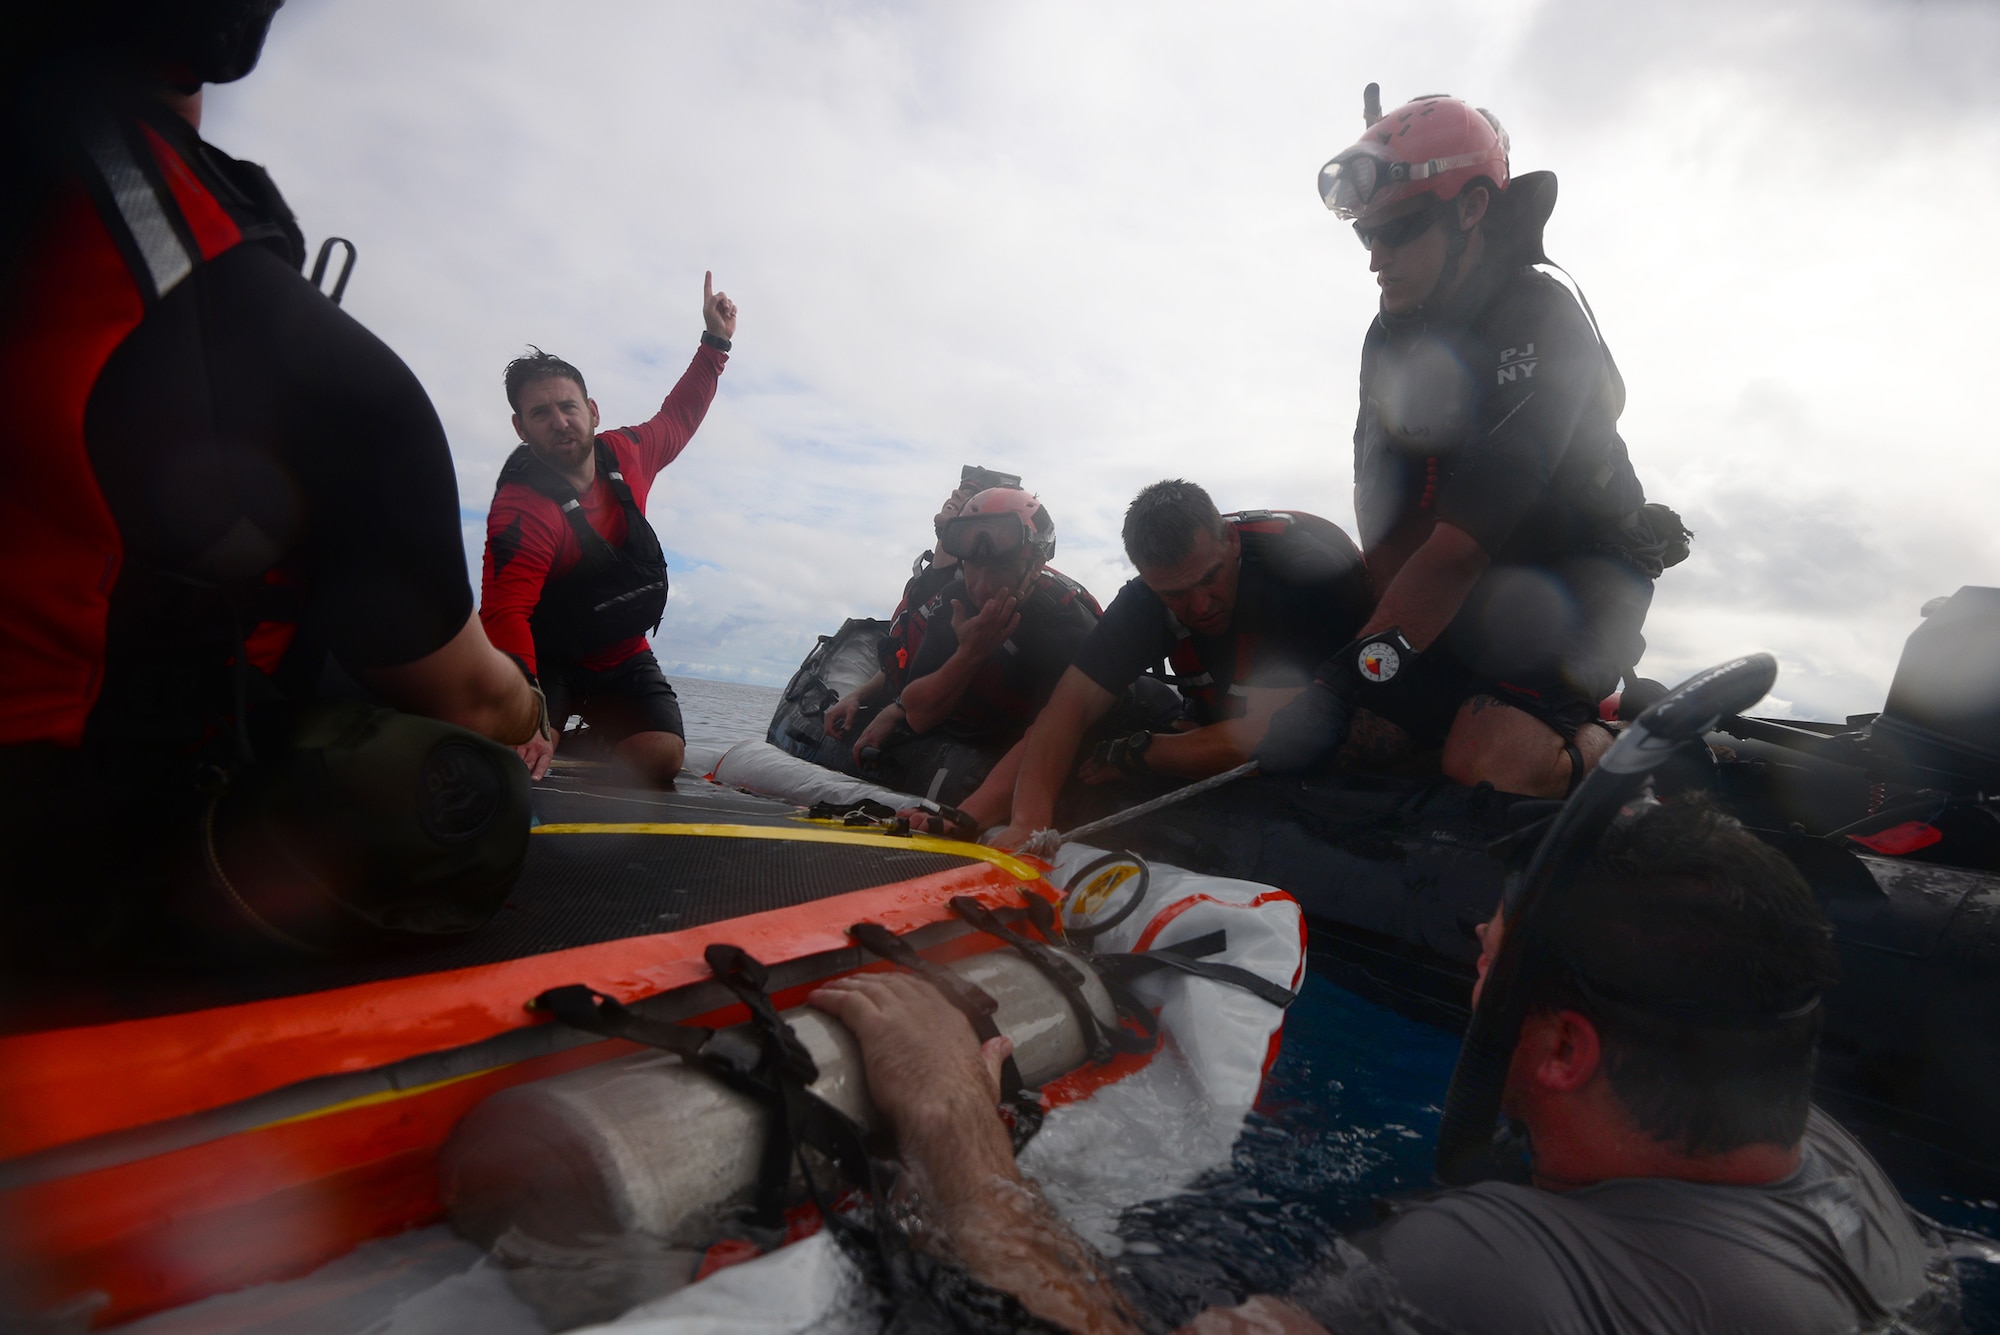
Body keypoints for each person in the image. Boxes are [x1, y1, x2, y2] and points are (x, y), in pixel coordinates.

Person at [809, 797, 1949, 1334]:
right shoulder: (1839, 1176)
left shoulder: (1495, 1270)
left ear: (1559, 1049)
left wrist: (951, 1107)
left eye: (1493, 957)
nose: (1470, 952)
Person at [0, 0, 546, 961]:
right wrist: (533, 709)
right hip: (54, 849)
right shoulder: (252, 330)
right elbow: (474, 700)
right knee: (469, 789)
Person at [1257, 93, 1685, 799]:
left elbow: (1459, 549)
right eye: (1368, 236)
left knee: (1482, 758)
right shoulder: (1388, 336)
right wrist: (1367, 682)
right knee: (1359, 741)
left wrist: (1342, 680)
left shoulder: (1542, 315)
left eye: (1399, 230)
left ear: (1472, 209)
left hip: (1585, 571)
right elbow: (1389, 528)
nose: (1377, 260)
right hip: (1479, 581)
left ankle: (1624, 739)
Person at [965, 479, 1372, 847]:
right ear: (1146, 577)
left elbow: (1272, 738)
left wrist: (1143, 753)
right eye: (1175, 593)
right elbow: (1067, 708)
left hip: (1353, 704)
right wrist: (1028, 825)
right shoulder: (1143, 600)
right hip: (1225, 707)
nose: (1200, 605)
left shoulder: (1301, 574)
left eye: (1209, 577)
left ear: (1230, 541)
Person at [479, 289, 735, 787]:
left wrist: (715, 343)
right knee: (523, 759)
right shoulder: (521, 509)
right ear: (520, 427)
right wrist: (528, 716)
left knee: (663, 756)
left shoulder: (628, 453)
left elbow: (678, 418)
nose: (560, 423)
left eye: (568, 407)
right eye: (540, 414)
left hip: (623, 652)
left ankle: (587, 740)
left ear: (592, 410)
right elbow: (505, 615)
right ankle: (548, 731)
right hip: (548, 658)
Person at [857, 488, 1100, 808]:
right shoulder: (954, 600)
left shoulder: (1066, 628)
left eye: (1000, 569)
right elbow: (917, 714)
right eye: (973, 567)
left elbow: (1051, 738)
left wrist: (971, 813)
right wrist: (970, 654)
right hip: (977, 731)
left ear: (1036, 564)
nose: (983, 586)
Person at [820, 479, 983, 760]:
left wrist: (897, 712)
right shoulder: (918, 583)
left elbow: (950, 675)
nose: (956, 492)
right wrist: (856, 696)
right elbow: (900, 662)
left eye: (969, 496)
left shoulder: (969, 593)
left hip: (933, 728)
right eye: (958, 489)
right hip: (900, 705)